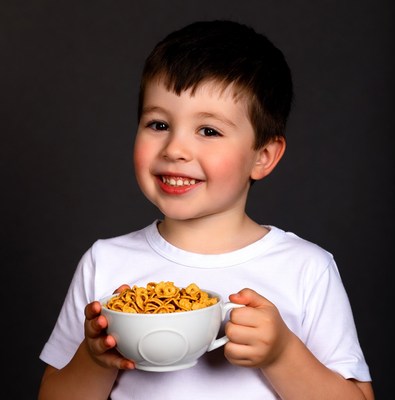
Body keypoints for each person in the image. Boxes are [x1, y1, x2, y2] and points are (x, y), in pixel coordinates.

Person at [38, 20, 374, 399]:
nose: (175, 149)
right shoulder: (105, 263)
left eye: (209, 131)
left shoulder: (306, 269)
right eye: (159, 123)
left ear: (262, 157)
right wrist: (94, 359)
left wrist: (282, 355)